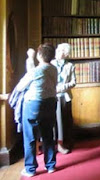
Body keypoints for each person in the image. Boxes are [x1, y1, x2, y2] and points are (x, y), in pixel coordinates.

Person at [15, 43, 57, 177]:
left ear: (39, 55)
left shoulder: (36, 71)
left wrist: (29, 58)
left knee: (30, 137)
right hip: (50, 103)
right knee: (48, 135)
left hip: (34, 104)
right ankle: (51, 166)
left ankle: (30, 169)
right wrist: (31, 59)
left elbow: (21, 86)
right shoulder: (54, 69)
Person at [51, 43, 76, 154]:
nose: (57, 51)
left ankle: (63, 143)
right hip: (51, 96)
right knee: (53, 121)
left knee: (64, 120)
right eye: (58, 49)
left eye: (61, 50)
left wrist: (62, 88)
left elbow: (73, 82)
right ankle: (53, 144)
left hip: (64, 97)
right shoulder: (50, 64)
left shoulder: (70, 66)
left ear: (66, 54)